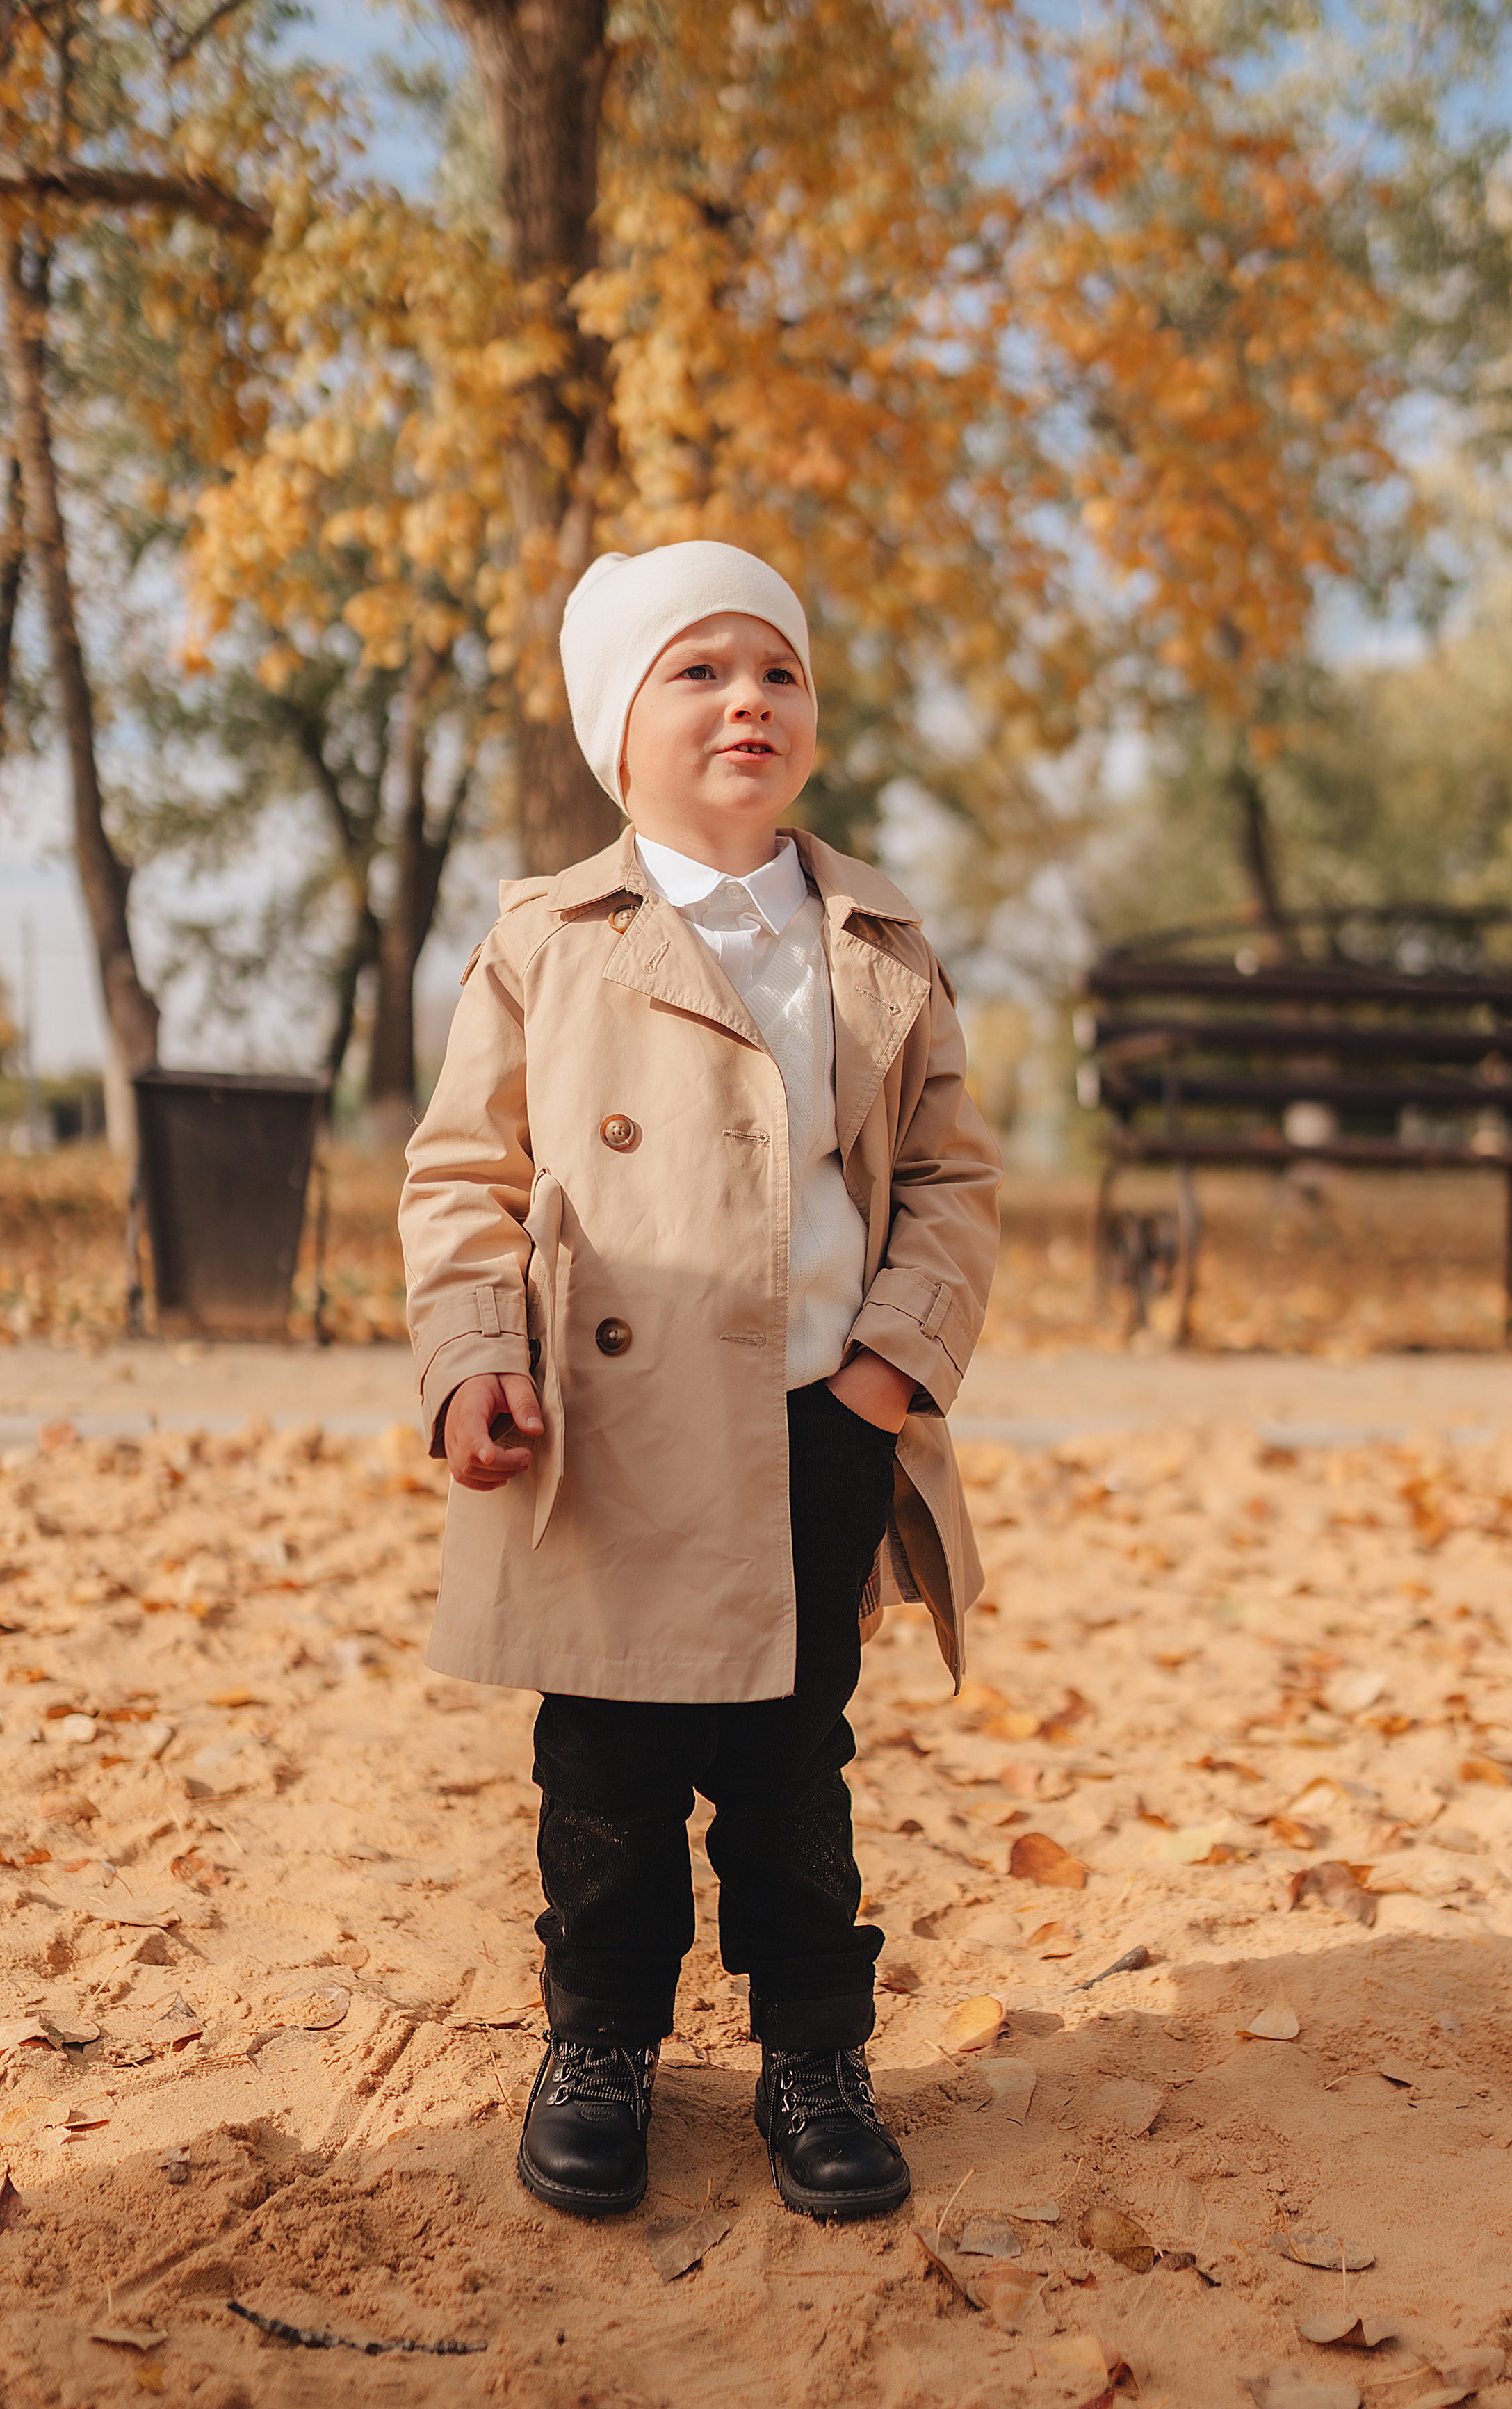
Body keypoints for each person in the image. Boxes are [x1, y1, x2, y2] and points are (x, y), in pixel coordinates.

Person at [399, 541, 1002, 2224]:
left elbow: (951, 1174)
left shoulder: (873, 930)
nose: (749, 697)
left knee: (790, 1758)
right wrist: (471, 1364)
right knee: (600, 1760)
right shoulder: (548, 934)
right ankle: (597, 2042)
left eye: (778, 671)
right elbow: (464, 1178)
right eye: (698, 669)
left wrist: (892, 1362)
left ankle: (812, 2049)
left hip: (815, 1414)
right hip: (604, 1428)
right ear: (616, 727)